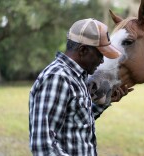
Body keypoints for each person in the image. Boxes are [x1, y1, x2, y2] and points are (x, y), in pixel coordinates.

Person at [29, 18, 132, 156]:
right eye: (100, 55)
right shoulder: (58, 78)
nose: (102, 61)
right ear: (83, 50)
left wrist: (104, 103)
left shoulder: (77, 77)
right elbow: (43, 147)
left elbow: (75, 124)